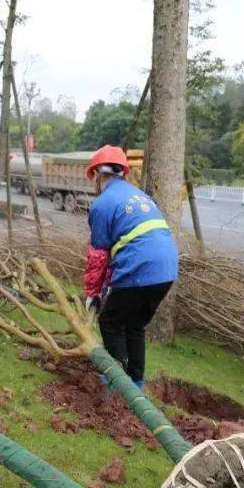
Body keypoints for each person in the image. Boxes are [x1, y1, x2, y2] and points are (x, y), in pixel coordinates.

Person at [83, 145, 179, 389]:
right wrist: (106, 287)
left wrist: (92, 294)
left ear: (97, 174)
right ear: (122, 173)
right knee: (134, 325)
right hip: (166, 269)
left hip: (141, 266)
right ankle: (136, 382)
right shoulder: (139, 195)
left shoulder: (103, 204)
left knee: (110, 322)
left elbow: (98, 256)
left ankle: (116, 383)